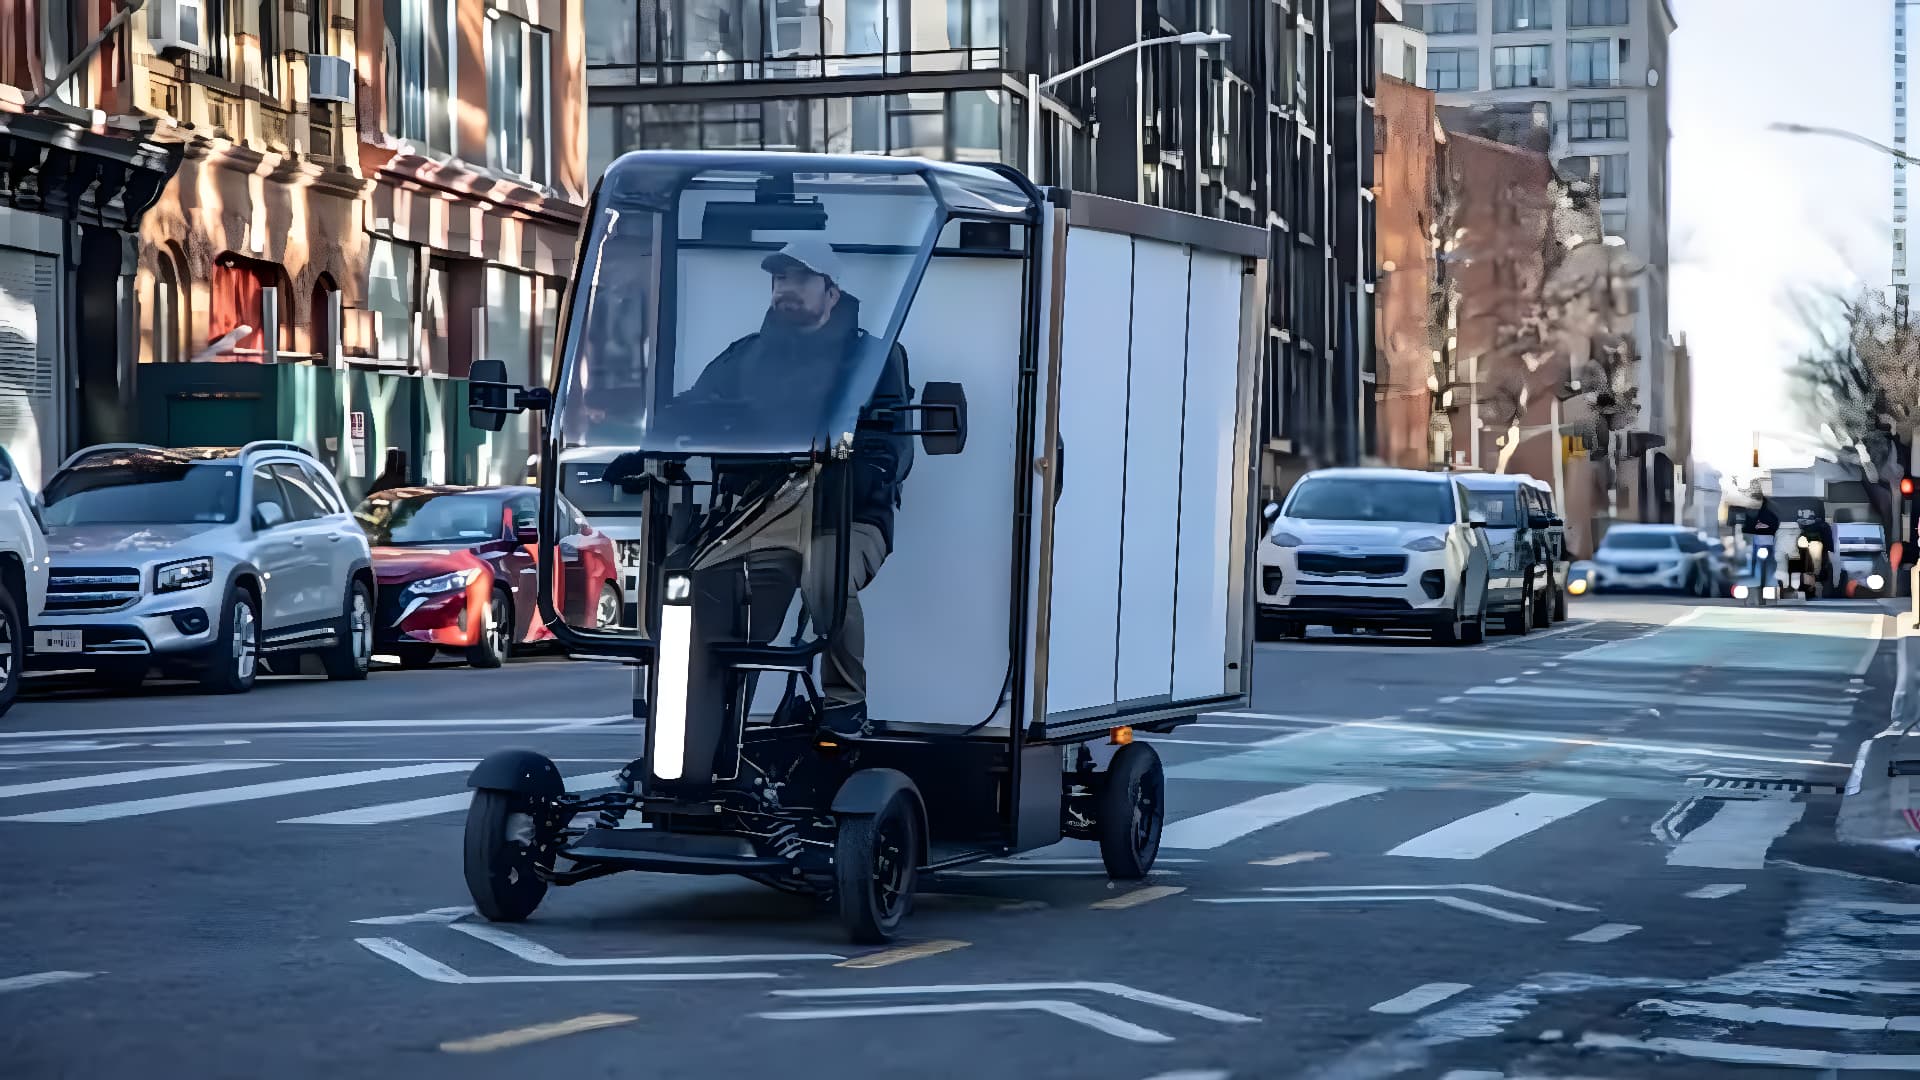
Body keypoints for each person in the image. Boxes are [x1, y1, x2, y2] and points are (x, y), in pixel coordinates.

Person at [673, 238, 913, 735]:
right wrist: (642, 448)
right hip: (765, 513)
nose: (786, 289)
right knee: (703, 585)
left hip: (847, 515)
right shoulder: (745, 357)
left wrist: (863, 472)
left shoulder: (874, 358)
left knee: (825, 575)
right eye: (779, 280)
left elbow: (893, 443)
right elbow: (690, 412)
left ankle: (845, 703)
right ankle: (707, 721)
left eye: (800, 279)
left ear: (831, 291)